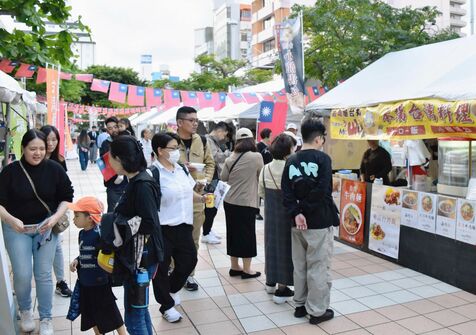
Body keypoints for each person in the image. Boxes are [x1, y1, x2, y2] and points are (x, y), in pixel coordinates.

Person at [0, 129, 74, 335]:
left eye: (42, 148)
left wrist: (55, 218)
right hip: (17, 229)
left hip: (46, 228)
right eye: (33, 148)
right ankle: (25, 311)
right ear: (23, 148)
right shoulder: (10, 172)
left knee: (43, 275)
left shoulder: (54, 169)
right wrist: (10, 219)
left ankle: (47, 318)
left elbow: (67, 197)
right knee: (22, 274)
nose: (38, 153)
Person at [281, 117, 337, 325]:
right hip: (319, 221)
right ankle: (317, 310)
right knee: (318, 266)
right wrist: (305, 210)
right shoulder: (323, 159)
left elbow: (286, 193)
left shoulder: (291, 160)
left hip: (297, 222)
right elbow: (323, 190)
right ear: (319, 139)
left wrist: (297, 212)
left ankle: (300, 305)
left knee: (300, 265)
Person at [108, 135, 164, 334]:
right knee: (139, 311)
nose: (109, 161)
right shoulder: (138, 179)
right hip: (140, 256)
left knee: (134, 315)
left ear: (120, 159)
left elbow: (149, 221)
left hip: (141, 258)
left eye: (111, 157)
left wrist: (119, 224)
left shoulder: (141, 185)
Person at [150, 132, 202, 322]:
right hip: (162, 228)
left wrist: (201, 195)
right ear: (160, 151)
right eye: (173, 148)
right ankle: (166, 305)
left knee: (189, 261)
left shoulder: (181, 169)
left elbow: (190, 192)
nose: (177, 152)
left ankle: (171, 290)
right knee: (161, 269)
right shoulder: (153, 173)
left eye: (178, 148)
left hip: (183, 225)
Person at [68, 197, 126, 335]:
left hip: (100, 282)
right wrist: (77, 260)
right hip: (85, 283)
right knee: (90, 315)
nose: (73, 219)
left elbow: (108, 254)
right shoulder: (82, 234)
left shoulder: (99, 234)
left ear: (89, 218)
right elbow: (85, 253)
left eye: (77, 216)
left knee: (111, 312)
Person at [176, 106, 215, 291]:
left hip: (197, 197)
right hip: (175, 200)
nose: (195, 123)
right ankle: (174, 272)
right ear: (180, 122)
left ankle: (189, 275)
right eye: (191, 120)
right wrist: (182, 168)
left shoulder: (202, 140)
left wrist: (205, 179)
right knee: (175, 239)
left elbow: (210, 163)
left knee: (193, 239)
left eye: (196, 120)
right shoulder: (170, 142)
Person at [221, 128, 263, 279]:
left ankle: (234, 267)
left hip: (230, 201)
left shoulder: (231, 158)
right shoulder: (257, 157)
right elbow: (261, 175)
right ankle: (247, 269)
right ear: (252, 140)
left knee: (232, 233)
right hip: (247, 202)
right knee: (247, 235)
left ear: (237, 142)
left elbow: (223, 177)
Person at [259, 133, 296, 304]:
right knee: (285, 249)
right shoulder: (291, 167)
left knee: (271, 245)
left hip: (270, 212)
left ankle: (269, 282)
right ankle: (282, 289)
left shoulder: (266, 167)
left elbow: (261, 192)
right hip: (286, 214)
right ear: (288, 150)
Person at [40, 125, 73, 298]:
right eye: (48, 139)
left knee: (57, 247)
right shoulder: (34, 158)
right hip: (34, 214)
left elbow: (65, 188)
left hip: (53, 212)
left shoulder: (59, 160)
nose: (51, 143)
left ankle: (60, 282)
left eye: (55, 139)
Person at [202, 121, 231, 244]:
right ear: (220, 131)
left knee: (214, 206)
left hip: (215, 178)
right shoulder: (208, 141)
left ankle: (208, 229)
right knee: (210, 206)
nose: (224, 138)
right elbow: (214, 157)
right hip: (210, 179)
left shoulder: (213, 141)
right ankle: (205, 233)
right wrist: (227, 154)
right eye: (224, 135)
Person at [100, 117, 128, 212]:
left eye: (115, 127)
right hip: (113, 185)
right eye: (110, 128)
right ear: (107, 130)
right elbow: (105, 163)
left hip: (129, 183)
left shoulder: (127, 140)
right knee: (113, 212)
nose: (113, 130)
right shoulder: (105, 144)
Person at [256, 128, 273, 221]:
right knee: (259, 191)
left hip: (269, 172)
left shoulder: (270, 146)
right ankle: (256, 212)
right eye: (271, 135)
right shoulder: (259, 146)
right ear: (266, 136)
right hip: (261, 171)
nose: (272, 137)